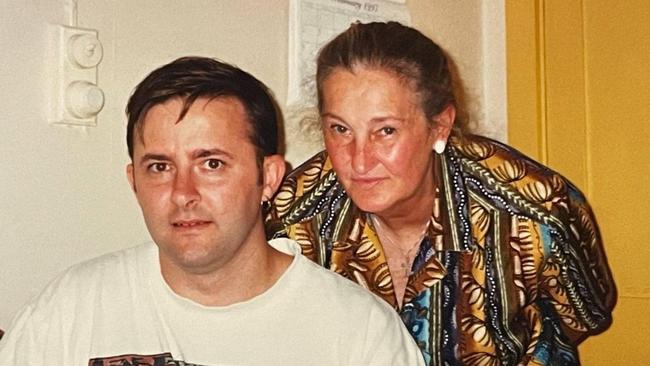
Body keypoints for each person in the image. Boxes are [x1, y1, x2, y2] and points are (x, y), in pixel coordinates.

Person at [0, 56, 425, 365]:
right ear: (134, 183)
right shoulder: (70, 309)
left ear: (270, 178)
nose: (183, 192)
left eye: (212, 164)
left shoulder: (357, 333)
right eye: (160, 167)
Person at [266, 22, 616, 365]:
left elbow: (581, 318)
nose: (359, 160)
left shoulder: (533, 211)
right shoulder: (293, 218)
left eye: (385, 130)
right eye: (340, 129)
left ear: (440, 126)